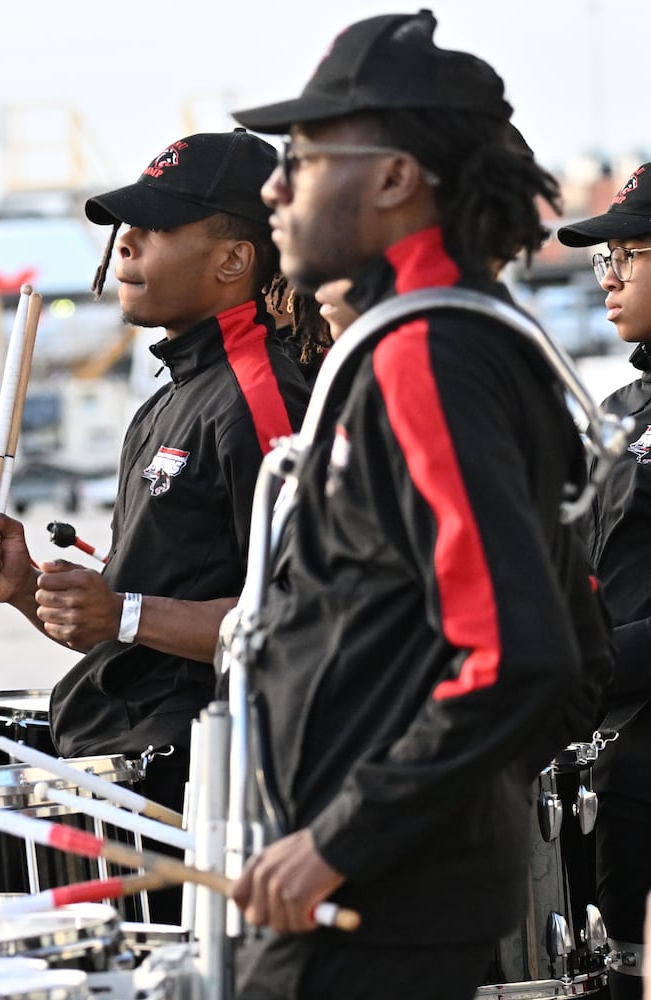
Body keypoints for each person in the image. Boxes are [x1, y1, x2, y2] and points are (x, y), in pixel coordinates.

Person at [225, 12, 611, 999]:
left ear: (395, 178)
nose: (276, 185)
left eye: (304, 157)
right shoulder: (461, 342)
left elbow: (520, 651)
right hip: (392, 879)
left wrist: (348, 836)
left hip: (372, 897)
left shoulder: (424, 357)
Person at [0, 131, 310, 863]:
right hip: (120, 757)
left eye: (154, 229)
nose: (124, 247)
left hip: (203, 783)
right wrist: (24, 588)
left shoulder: (263, 395)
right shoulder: (165, 402)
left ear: (233, 259)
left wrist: (123, 611)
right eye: (124, 229)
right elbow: (127, 617)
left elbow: (303, 621)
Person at [557, 162, 651, 1000]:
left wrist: (578, 662)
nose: (610, 276)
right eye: (604, 257)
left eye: (632, 253)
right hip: (603, 766)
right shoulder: (619, 411)